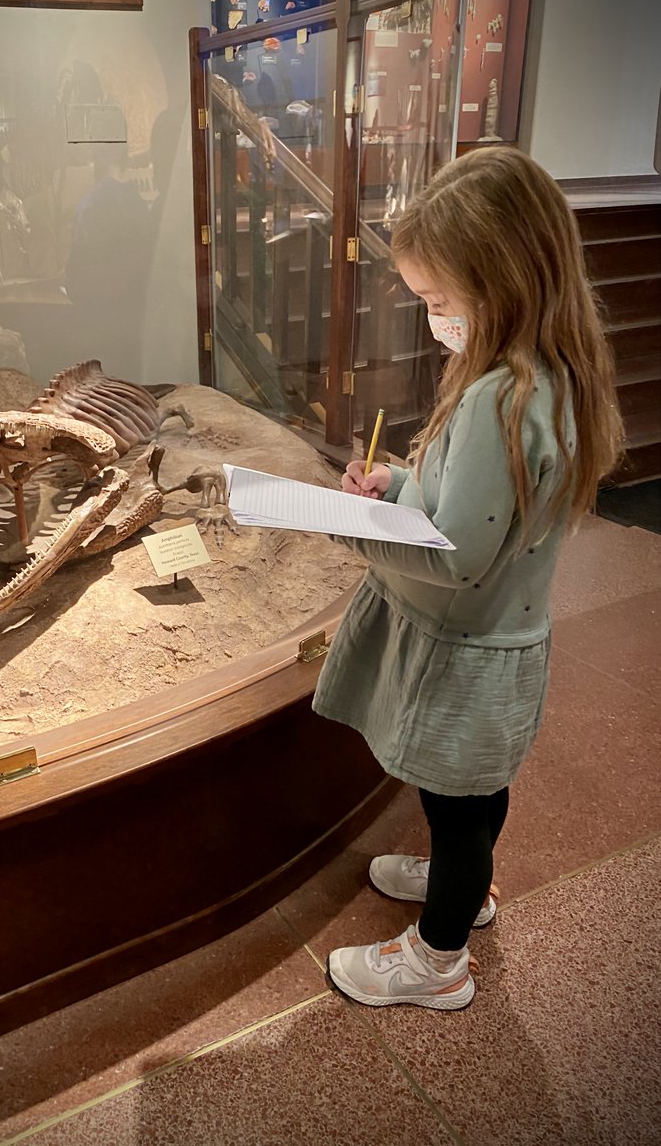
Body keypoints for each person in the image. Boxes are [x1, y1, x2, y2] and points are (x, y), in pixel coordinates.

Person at [313, 146, 623, 1011]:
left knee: (456, 810)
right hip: (506, 643)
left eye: (440, 302)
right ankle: (464, 887)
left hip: (466, 646)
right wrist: (401, 488)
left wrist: (357, 528)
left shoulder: (500, 398)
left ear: (506, 280)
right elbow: (473, 511)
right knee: (478, 794)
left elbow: (454, 558)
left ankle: (437, 960)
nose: (433, 320)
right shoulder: (549, 373)